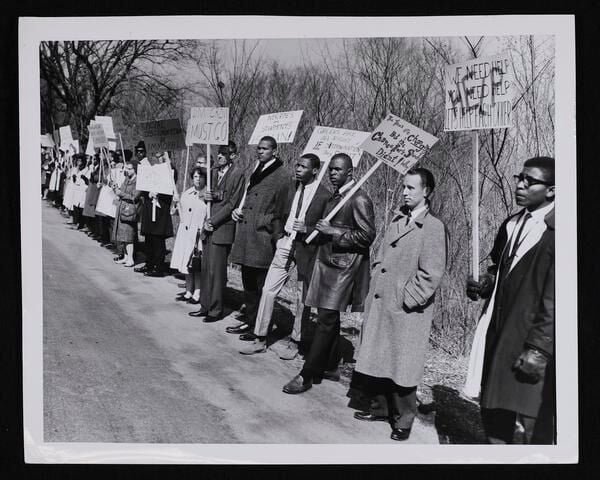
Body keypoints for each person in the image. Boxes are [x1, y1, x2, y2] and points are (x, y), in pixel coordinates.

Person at [347, 168, 448, 442]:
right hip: (383, 302)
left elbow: (431, 275)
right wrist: (377, 288)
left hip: (407, 310)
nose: (404, 192)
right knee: (381, 356)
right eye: (404, 187)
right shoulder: (397, 219)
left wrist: (407, 298)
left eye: (411, 188)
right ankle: (380, 409)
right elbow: (380, 257)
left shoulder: (433, 227)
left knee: (403, 365)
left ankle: (404, 418)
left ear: (426, 192)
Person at [465, 156, 555, 445]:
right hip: (499, 333)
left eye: (530, 181)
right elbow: (498, 269)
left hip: (531, 343)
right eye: (519, 177)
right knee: (493, 411)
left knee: (533, 427)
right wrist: (485, 284)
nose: (520, 184)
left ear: (551, 190)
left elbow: (555, 299)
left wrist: (539, 349)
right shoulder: (511, 224)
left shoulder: (558, 230)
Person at [283, 153, 375, 394]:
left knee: (325, 319)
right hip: (326, 263)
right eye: (331, 169)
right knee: (329, 317)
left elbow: (367, 236)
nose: (333, 173)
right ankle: (332, 366)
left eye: (338, 170)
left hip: (343, 268)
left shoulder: (359, 199)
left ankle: (307, 374)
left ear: (350, 172)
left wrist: (333, 231)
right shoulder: (335, 196)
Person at [239, 153, 330, 358]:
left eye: (303, 167)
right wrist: (278, 236)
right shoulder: (289, 188)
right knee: (268, 290)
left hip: (307, 250)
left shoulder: (324, 196)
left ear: (315, 171)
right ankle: (260, 338)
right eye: (297, 165)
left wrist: (306, 229)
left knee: (301, 298)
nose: (298, 169)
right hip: (284, 245)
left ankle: (295, 342)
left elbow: (326, 228)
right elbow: (276, 215)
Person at [226, 136, 290, 339]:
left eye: (265, 149)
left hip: (263, 238)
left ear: (275, 151)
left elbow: (284, 210)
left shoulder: (282, 176)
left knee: (262, 285)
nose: (260, 151)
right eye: (259, 148)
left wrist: (268, 225)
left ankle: (261, 328)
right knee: (249, 284)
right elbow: (247, 198)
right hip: (246, 235)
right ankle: (250, 321)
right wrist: (237, 211)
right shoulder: (255, 169)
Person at [189, 143, 245, 322]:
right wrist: (205, 195)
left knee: (217, 272)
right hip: (207, 227)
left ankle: (216, 309)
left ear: (233, 155)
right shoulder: (213, 171)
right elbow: (203, 193)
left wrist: (213, 221)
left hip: (222, 228)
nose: (220, 156)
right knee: (206, 269)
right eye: (219, 153)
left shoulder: (238, 174)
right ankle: (205, 306)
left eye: (224, 153)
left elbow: (231, 204)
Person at [134, 151, 176, 277]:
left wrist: (159, 194)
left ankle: (159, 267)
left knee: (158, 238)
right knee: (149, 237)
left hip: (161, 208)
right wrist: (148, 193)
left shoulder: (171, 169)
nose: (159, 159)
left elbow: (171, 189)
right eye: (157, 157)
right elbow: (145, 184)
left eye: (162, 156)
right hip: (149, 206)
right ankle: (149, 263)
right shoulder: (151, 169)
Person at [170, 167, 208, 304]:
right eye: (196, 176)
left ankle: (197, 292)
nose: (198, 179)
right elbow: (176, 213)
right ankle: (188, 291)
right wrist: (175, 203)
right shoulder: (187, 193)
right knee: (185, 263)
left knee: (195, 265)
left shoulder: (207, 195)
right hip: (185, 232)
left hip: (197, 234)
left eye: (201, 176)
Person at [111, 161, 141, 267]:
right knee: (122, 236)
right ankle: (125, 256)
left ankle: (131, 259)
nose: (127, 170)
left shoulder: (138, 181)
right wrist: (116, 189)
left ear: (135, 169)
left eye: (129, 168)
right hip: (122, 209)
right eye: (126, 168)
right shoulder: (127, 179)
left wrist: (121, 193)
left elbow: (134, 197)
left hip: (130, 211)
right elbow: (122, 192)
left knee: (128, 236)